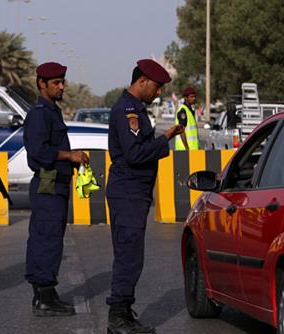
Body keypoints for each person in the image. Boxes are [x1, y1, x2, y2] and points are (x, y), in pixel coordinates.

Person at [106, 59, 184, 334]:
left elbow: (140, 146)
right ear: (142, 82)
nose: (159, 93)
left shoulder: (135, 110)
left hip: (133, 193)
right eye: (157, 87)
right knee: (128, 256)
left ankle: (124, 313)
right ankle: (117, 317)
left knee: (130, 255)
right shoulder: (127, 111)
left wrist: (168, 135)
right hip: (128, 192)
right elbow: (135, 154)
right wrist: (164, 142)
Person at [23, 62, 89, 316]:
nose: (61, 86)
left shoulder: (52, 110)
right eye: (56, 83)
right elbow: (38, 151)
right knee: (47, 240)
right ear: (42, 84)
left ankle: (43, 295)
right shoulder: (40, 113)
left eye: (63, 81)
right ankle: (45, 296)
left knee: (46, 238)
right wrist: (68, 155)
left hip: (56, 183)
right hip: (48, 183)